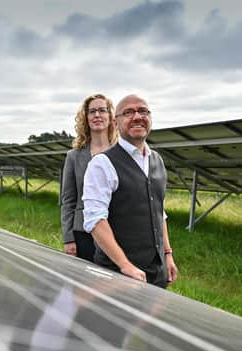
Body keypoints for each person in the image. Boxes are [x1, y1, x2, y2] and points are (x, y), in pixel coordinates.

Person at [82, 94, 178, 287]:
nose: (137, 116)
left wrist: (167, 254)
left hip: (156, 271)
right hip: (118, 275)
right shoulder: (102, 163)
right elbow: (95, 220)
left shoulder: (156, 160)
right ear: (116, 123)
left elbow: (159, 212)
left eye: (143, 111)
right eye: (128, 112)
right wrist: (125, 265)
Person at [61, 94, 118, 261]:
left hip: (116, 231)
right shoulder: (74, 156)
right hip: (83, 232)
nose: (97, 115)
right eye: (92, 111)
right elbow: (68, 200)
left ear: (110, 116)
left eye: (102, 110)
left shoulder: (122, 154)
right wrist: (68, 238)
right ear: (86, 118)